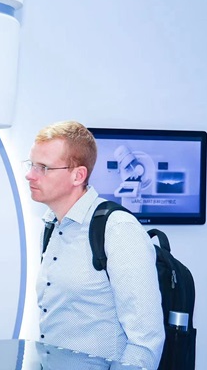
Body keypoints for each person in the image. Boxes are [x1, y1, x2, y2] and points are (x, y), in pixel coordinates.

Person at [24, 121, 165, 370]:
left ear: (78, 175)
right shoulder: (51, 227)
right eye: (32, 164)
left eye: (43, 167)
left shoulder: (117, 229)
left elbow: (145, 341)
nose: (30, 175)